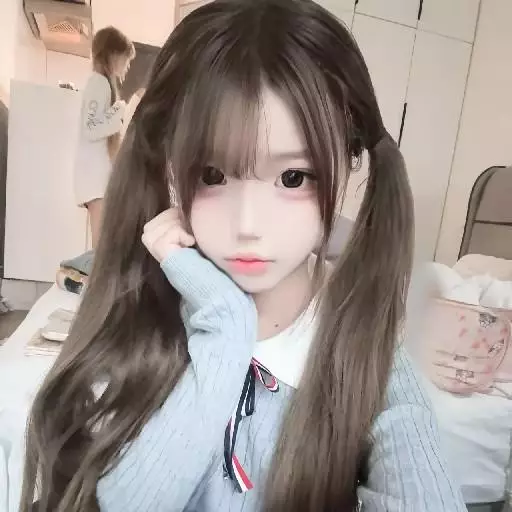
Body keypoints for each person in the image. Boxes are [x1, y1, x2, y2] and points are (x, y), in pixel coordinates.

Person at [21, 1, 467, 511]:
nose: (249, 224)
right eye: (213, 175)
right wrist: (226, 327)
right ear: (171, 165)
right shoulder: (139, 320)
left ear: (348, 161)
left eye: (293, 178)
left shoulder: (367, 350)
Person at [74, 26, 135, 249]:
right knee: (100, 244)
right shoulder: (98, 82)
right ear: (113, 55)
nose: (127, 66)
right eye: (126, 59)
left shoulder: (100, 83)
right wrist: (120, 109)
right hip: (94, 177)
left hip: (94, 176)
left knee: (100, 242)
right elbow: (91, 128)